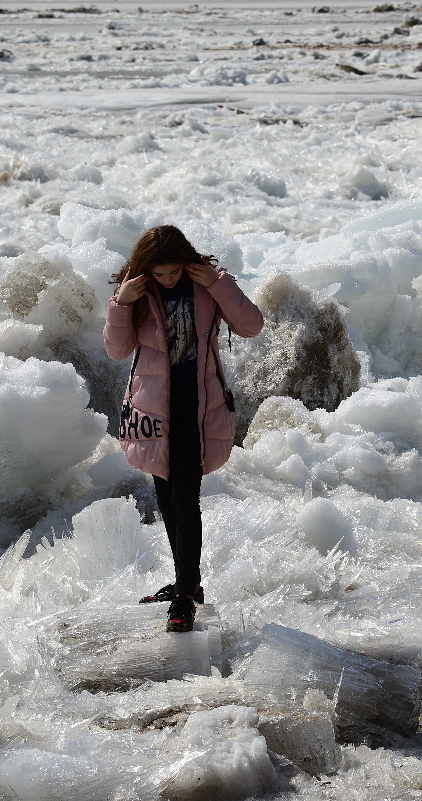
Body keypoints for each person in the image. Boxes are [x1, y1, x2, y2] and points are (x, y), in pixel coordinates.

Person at [103, 225, 264, 633]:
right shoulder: (137, 293)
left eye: (173, 271)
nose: (168, 280)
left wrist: (220, 284)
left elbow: (252, 325)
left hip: (198, 407)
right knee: (167, 498)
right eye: (159, 274)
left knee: (185, 498)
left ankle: (187, 596)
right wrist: (121, 304)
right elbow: (118, 350)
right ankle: (185, 582)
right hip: (155, 409)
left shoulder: (207, 284)